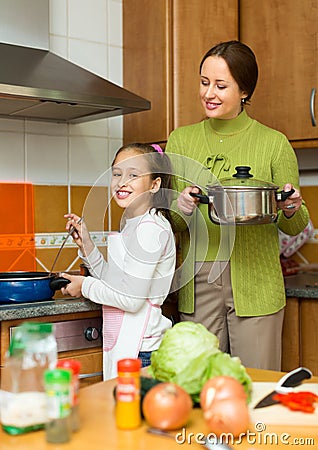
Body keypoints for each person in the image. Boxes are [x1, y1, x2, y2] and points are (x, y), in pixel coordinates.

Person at [165, 40, 310, 371]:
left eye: (220, 85)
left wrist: (291, 207)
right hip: (198, 280)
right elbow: (170, 220)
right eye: (204, 83)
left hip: (255, 282)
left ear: (244, 90)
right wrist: (182, 206)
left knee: (256, 390)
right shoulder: (181, 140)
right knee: (199, 387)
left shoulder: (274, 144)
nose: (208, 93)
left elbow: (294, 223)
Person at [60, 143, 176, 380]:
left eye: (133, 175)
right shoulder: (134, 223)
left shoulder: (150, 229)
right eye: (117, 173)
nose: (122, 181)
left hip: (142, 350)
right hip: (130, 344)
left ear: (155, 185)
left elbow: (130, 300)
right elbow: (116, 283)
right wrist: (87, 245)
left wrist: (84, 286)